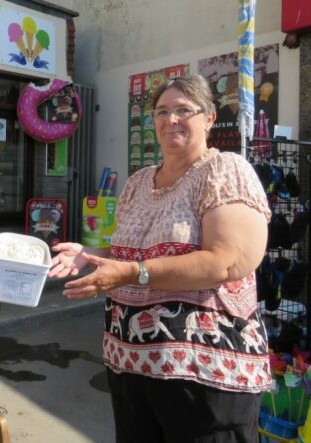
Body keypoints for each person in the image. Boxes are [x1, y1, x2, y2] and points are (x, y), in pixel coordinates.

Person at [49, 75, 270, 442]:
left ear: (210, 118)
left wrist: (131, 274)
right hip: (130, 367)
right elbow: (128, 254)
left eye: (184, 110)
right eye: (162, 111)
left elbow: (226, 262)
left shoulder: (224, 170)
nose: (171, 120)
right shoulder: (137, 182)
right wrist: (91, 256)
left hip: (204, 376)